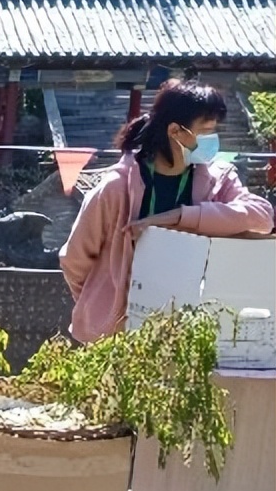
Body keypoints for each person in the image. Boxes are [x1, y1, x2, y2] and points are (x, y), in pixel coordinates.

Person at [60, 80, 274, 343]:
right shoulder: (116, 188)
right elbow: (75, 260)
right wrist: (100, 304)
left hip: (185, 330)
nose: (212, 140)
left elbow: (262, 217)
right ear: (175, 131)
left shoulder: (219, 179)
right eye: (205, 131)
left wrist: (180, 218)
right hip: (115, 336)